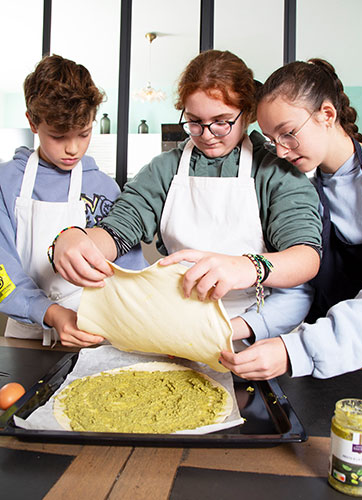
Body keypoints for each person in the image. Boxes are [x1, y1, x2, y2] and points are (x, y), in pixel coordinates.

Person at [53, 49, 322, 328]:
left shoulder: (275, 172)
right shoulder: (164, 170)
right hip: (178, 323)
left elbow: (305, 256)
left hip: (254, 324)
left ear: (248, 113)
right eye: (194, 122)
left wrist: (246, 266)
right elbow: (118, 230)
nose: (207, 135)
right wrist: (78, 240)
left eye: (221, 122)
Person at [220, 58, 362, 380]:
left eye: (288, 133)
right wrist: (223, 330)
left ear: (327, 115)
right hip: (327, 363)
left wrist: (299, 350)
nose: (280, 151)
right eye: (272, 140)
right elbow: (297, 290)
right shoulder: (302, 192)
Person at [0, 55, 146, 347]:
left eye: (84, 133)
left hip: (94, 331)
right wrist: (49, 312)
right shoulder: (6, 182)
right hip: (25, 333)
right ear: (32, 122)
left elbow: (130, 269)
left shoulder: (103, 188)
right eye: (58, 136)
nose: (73, 148)